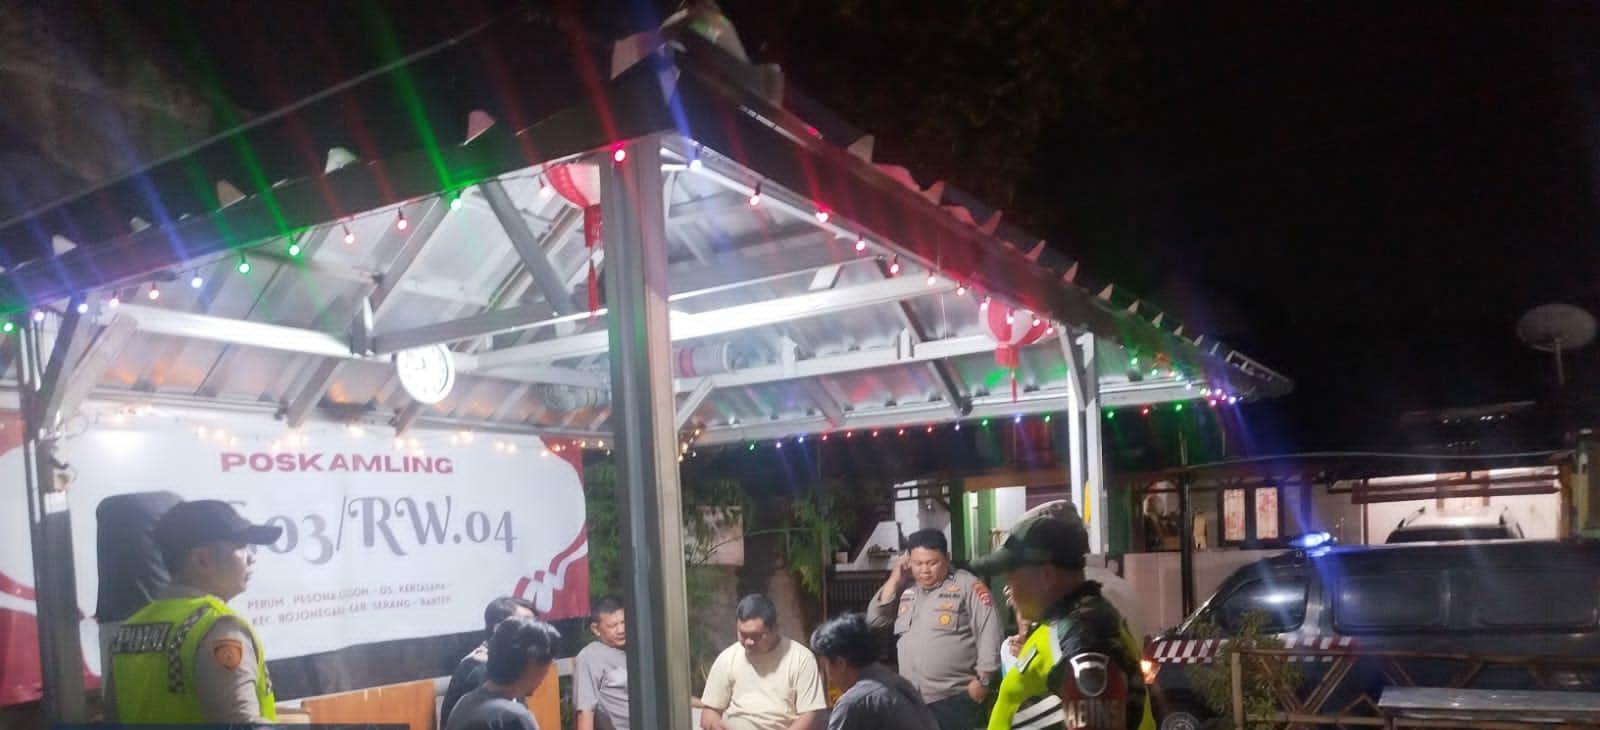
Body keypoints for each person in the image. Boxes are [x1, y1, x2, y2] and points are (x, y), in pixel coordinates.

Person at [972, 503, 1154, 730]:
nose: (1008, 588)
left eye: (1012, 576)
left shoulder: (1085, 637)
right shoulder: (1063, 626)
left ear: (1046, 576)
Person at [107, 499, 284, 723]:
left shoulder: (128, 631)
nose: (251, 556)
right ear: (203, 560)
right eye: (240, 546)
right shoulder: (219, 627)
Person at [867, 529, 1002, 730]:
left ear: (947, 558)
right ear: (908, 562)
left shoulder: (967, 585)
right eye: (918, 563)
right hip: (912, 700)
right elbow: (875, 620)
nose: (925, 570)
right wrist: (895, 578)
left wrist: (983, 682)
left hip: (956, 700)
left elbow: (989, 631)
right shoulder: (906, 589)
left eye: (932, 563)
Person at [700, 594, 827, 730]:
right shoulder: (727, 658)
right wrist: (715, 724)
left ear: (775, 628)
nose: (748, 642)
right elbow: (709, 712)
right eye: (743, 634)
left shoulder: (801, 658)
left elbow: (811, 714)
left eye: (755, 636)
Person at [810, 613, 939, 730]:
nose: (829, 677)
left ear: (840, 663)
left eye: (825, 666)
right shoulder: (897, 682)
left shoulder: (854, 702)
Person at [445, 615, 563, 730]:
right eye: (548, 660)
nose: (547, 670)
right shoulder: (515, 717)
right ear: (532, 664)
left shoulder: (463, 704)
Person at [442, 597, 539, 728]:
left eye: (535, 623)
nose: (535, 631)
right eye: (526, 623)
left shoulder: (503, 664)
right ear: (499, 629)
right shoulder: (480, 670)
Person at [574, 596, 629, 730]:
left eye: (623, 622)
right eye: (613, 626)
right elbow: (585, 710)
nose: (621, 630)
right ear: (596, 629)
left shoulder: (640, 648)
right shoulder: (590, 656)